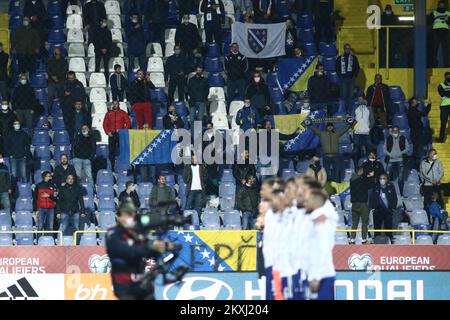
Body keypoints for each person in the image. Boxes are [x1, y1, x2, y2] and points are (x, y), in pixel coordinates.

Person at [106, 202, 172, 300]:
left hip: (143, 284)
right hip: (125, 286)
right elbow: (128, 251)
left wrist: (161, 248)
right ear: (118, 217)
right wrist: (151, 246)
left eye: (132, 213)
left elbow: (152, 255)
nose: (131, 217)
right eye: (127, 214)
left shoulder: (140, 232)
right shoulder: (113, 233)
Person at [303, 189, 338, 300]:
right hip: (315, 274)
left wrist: (316, 276)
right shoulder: (314, 219)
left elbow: (323, 251)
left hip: (320, 276)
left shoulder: (320, 224)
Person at [103, 101, 132, 169]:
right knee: (111, 152)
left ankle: (121, 165)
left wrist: (123, 131)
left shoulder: (123, 113)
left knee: (121, 150)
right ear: (112, 105)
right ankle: (112, 167)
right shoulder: (108, 113)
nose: (115, 105)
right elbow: (105, 124)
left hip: (120, 134)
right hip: (112, 134)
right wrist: (108, 132)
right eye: (113, 104)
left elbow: (128, 123)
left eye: (116, 104)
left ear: (118, 104)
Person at [349, 166, 374, 244]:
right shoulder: (361, 180)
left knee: (354, 222)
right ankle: (364, 239)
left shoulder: (352, 179)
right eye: (362, 171)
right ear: (359, 171)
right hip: (362, 204)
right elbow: (369, 185)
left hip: (354, 204)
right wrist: (370, 177)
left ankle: (352, 239)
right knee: (364, 222)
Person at [370, 173, 397, 243]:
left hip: (388, 211)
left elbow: (394, 198)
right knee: (377, 227)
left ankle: (390, 240)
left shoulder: (391, 187)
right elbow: (371, 198)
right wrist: (373, 208)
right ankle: (376, 241)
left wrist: (393, 208)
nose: (382, 180)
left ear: (387, 179)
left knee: (388, 227)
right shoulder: (375, 187)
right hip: (378, 211)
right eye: (381, 179)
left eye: (384, 178)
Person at [384, 126, 409, 194]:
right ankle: (386, 191)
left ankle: (401, 192)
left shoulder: (402, 137)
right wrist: (390, 154)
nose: (395, 132)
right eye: (394, 130)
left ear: (399, 131)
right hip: (390, 160)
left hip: (400, 159)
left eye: (396, 130)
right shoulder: (388, 138)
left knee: (401, 177)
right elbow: (384, 149)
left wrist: (400, 153)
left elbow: (407, 148)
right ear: (391, 131)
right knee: (387, 176)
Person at [336, 44, 360, 113]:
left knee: (350, 96)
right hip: (343, 79)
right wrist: (340, 76)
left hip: (351, 79)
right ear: (344, 49)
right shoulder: (340, 58)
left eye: (349, 48)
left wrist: (354, 76)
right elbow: (337, 68)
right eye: (346, 48)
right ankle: (343, 111)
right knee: (343, 95)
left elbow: (357, 68)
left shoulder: (354, 58)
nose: (347, 49)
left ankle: (349, 111)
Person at [407, 97, 431, 165]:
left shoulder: (414, 110)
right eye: (415, 102)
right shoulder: (412, 111)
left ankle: (416, 160)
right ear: (411, 103)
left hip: (417, 131)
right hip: (415, 131)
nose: (417, 103)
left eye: (417, 102)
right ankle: (416, 161)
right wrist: (429, 105)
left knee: (417, 146)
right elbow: (424, 114)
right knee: (417, 147)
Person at [352, 96, 375, 165]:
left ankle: (370, 164)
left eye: (361, 99)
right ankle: (356, 165)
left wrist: (369, 128)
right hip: (357, 133)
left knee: (369, 148)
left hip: (366, 133)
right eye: (358, 99)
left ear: (365, 100)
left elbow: (372, 120)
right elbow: (351, 119)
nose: (360, 100)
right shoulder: (355, 108)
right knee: (356, 149)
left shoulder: (369, 108)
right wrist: (354, 127)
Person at [429, 1, 450, 67]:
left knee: (446, 49)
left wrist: (448, 20)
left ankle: (446, 64)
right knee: (435, 49)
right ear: (438, 6)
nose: (441, 7)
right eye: (440, 5)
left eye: (443, 5)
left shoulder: (448, 13)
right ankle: (434, 65)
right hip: (436, 31)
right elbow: (429, 20)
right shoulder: (434, 13)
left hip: (445, 31)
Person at [438, 72, 450, 142]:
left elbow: (445, 93)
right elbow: (442, 93)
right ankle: (441, 139)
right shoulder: (441, 85)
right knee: (443, 123)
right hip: (444, 106)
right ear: (445, 77)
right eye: (448, 76)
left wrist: (446, 94)